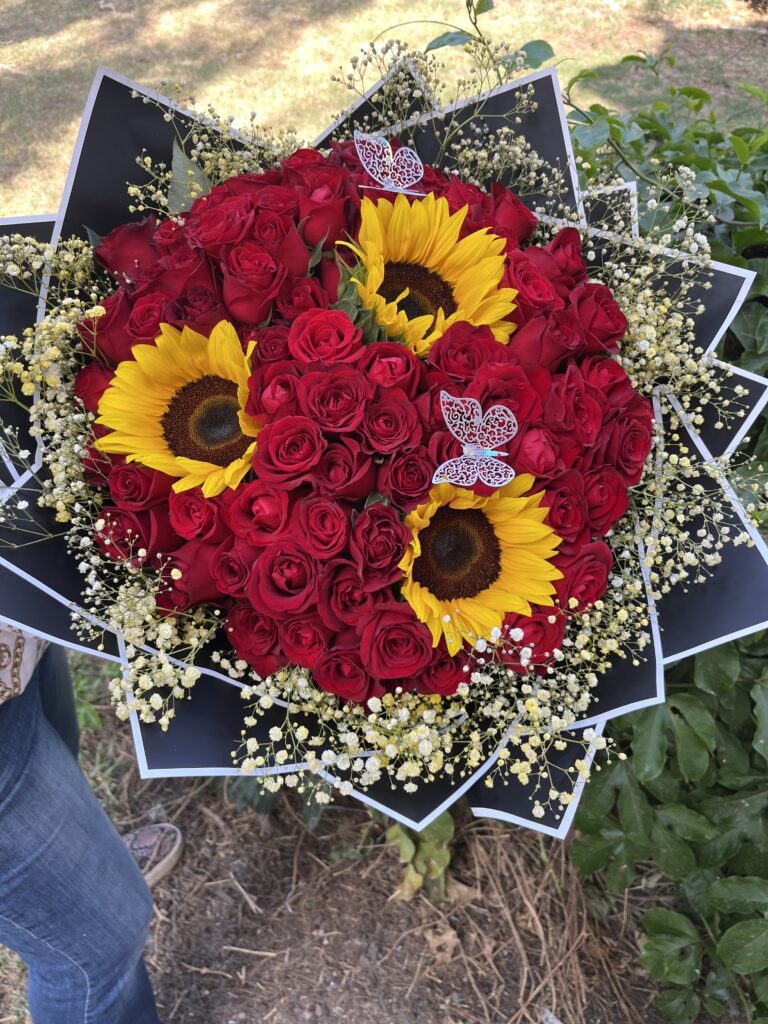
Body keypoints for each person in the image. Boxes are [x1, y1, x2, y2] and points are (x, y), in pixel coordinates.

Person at [0, 626, 182, 1023]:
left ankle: (89, 868)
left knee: (58, 758)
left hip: (17, 631)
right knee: (93, 953)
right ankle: (83, 899)